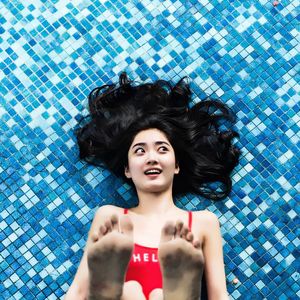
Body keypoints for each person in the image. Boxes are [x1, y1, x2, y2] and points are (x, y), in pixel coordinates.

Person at [65, 72, 240, 300]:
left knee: (146, 293)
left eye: (162, 149)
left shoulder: (204, 223)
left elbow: (219, 297)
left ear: (176, 165)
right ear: (127, 169)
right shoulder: (110, 218)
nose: (151, 158)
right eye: (139, 151)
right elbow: (76, 293)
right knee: (133, 292)